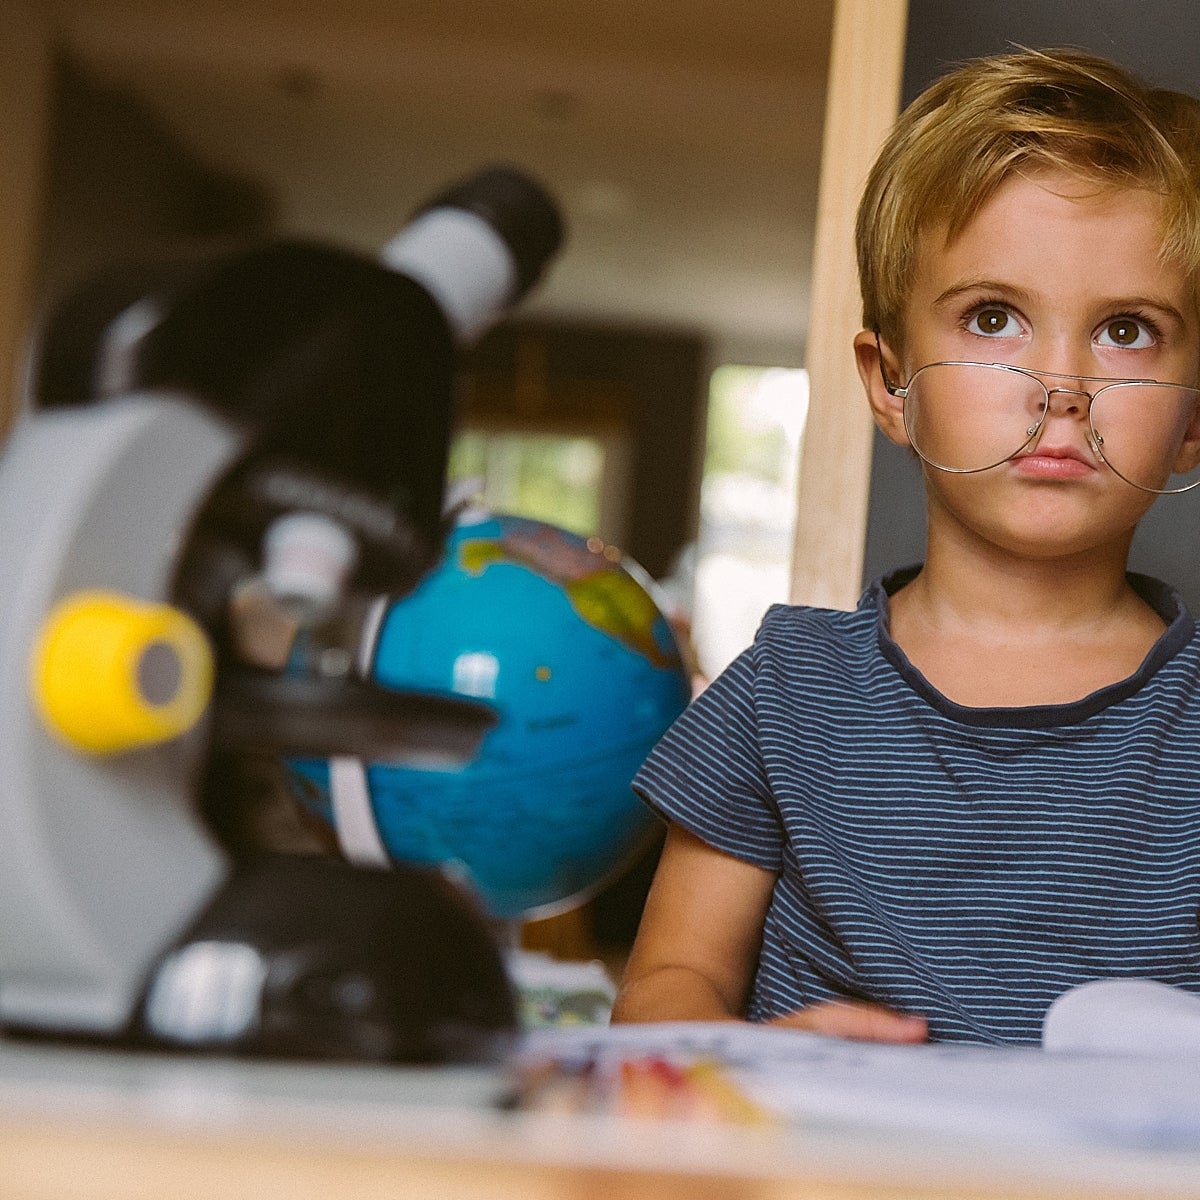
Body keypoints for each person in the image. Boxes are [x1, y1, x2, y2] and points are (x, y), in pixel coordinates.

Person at [611, 47, 1200, 1045]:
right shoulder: (785, 691)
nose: (1063, 386)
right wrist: (747, 1057)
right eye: (994, 318)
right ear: (891, 385)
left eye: (1128, 331)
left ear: (1193, 418)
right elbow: (665, 990)